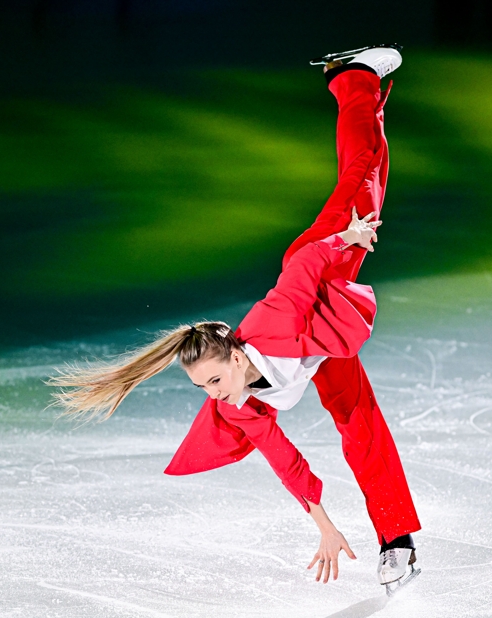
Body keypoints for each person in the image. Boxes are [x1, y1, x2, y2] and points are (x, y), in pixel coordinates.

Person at [49, 45, 421, 596]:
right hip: (319, 349)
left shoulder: (272, 319)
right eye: (203, 388)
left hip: (319, 275)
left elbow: (303, 266)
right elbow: (287, 462)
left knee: (365, 172)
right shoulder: (237, 404)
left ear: (236, 353)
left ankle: (354, 76)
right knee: (358, 421)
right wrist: (324, 526)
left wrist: (346, 238)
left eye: (215, 379)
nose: (215, 395)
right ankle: (398, 541)